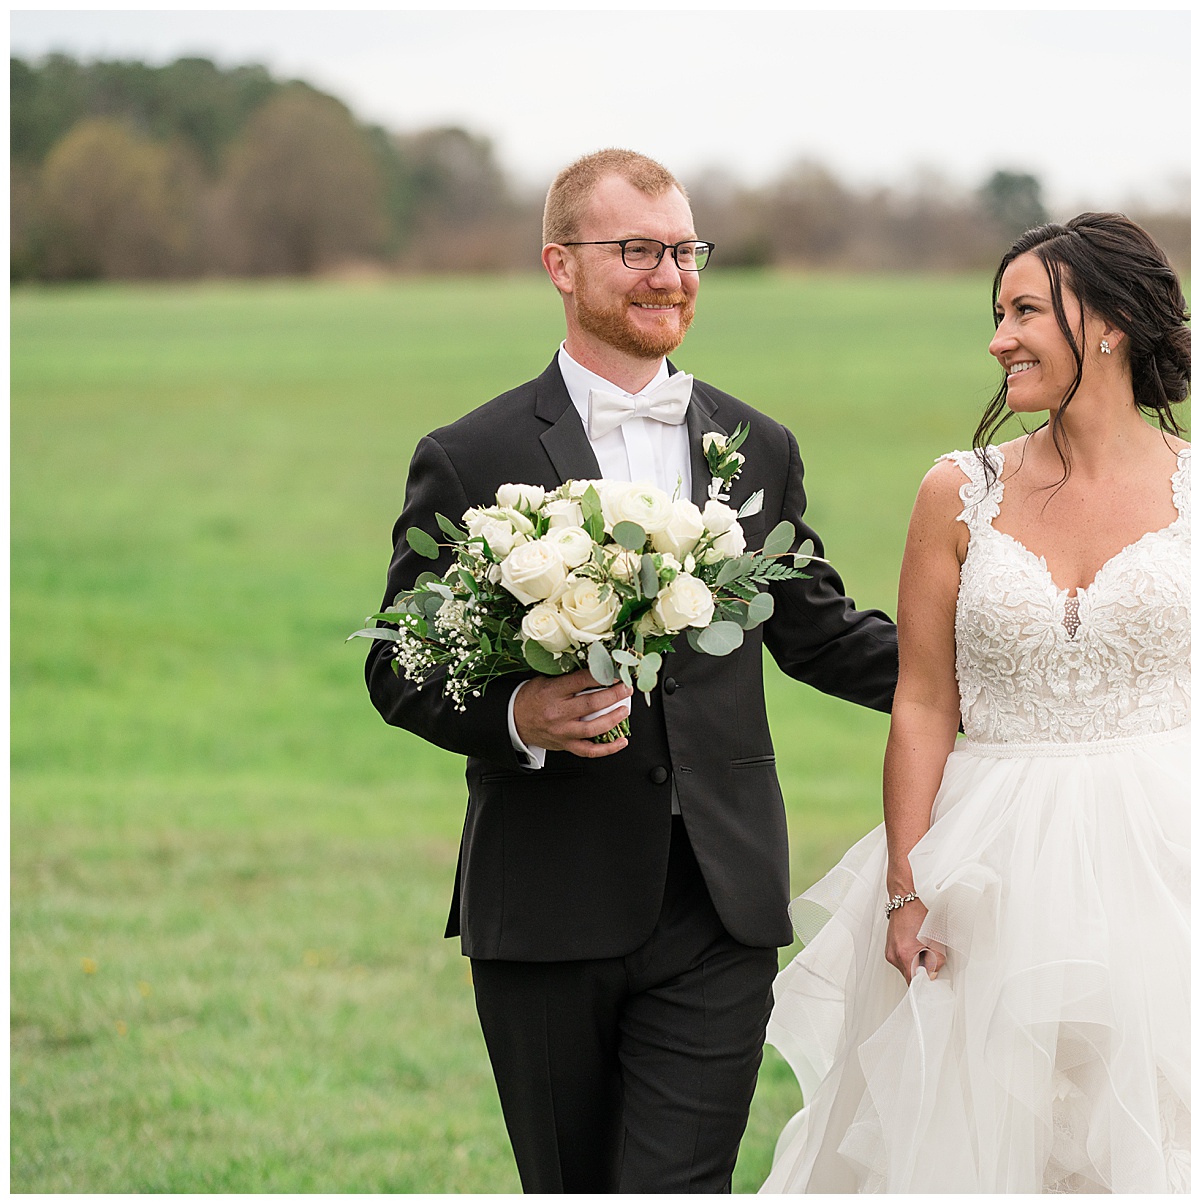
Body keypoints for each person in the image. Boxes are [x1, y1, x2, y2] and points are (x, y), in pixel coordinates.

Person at [759, 213, 1191, 1192]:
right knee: (991, 1133)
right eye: (998, 313)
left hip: (1173, 849)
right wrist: (907, 884)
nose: (999, 338)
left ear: (1113, 323)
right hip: (986, 857)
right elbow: (920, 700)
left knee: (1178, 1131)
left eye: (1025, 311)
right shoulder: (956, 492)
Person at [365, 148, 898, 1193]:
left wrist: (1000, 667)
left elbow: (821, 632)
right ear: (562, 266)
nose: (671, 275)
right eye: (639, 251)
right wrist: (522, 709)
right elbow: (398, 662)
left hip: (721, 900)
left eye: (685, 250)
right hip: (548, 900)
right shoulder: (473, 453)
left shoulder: (756, 445)